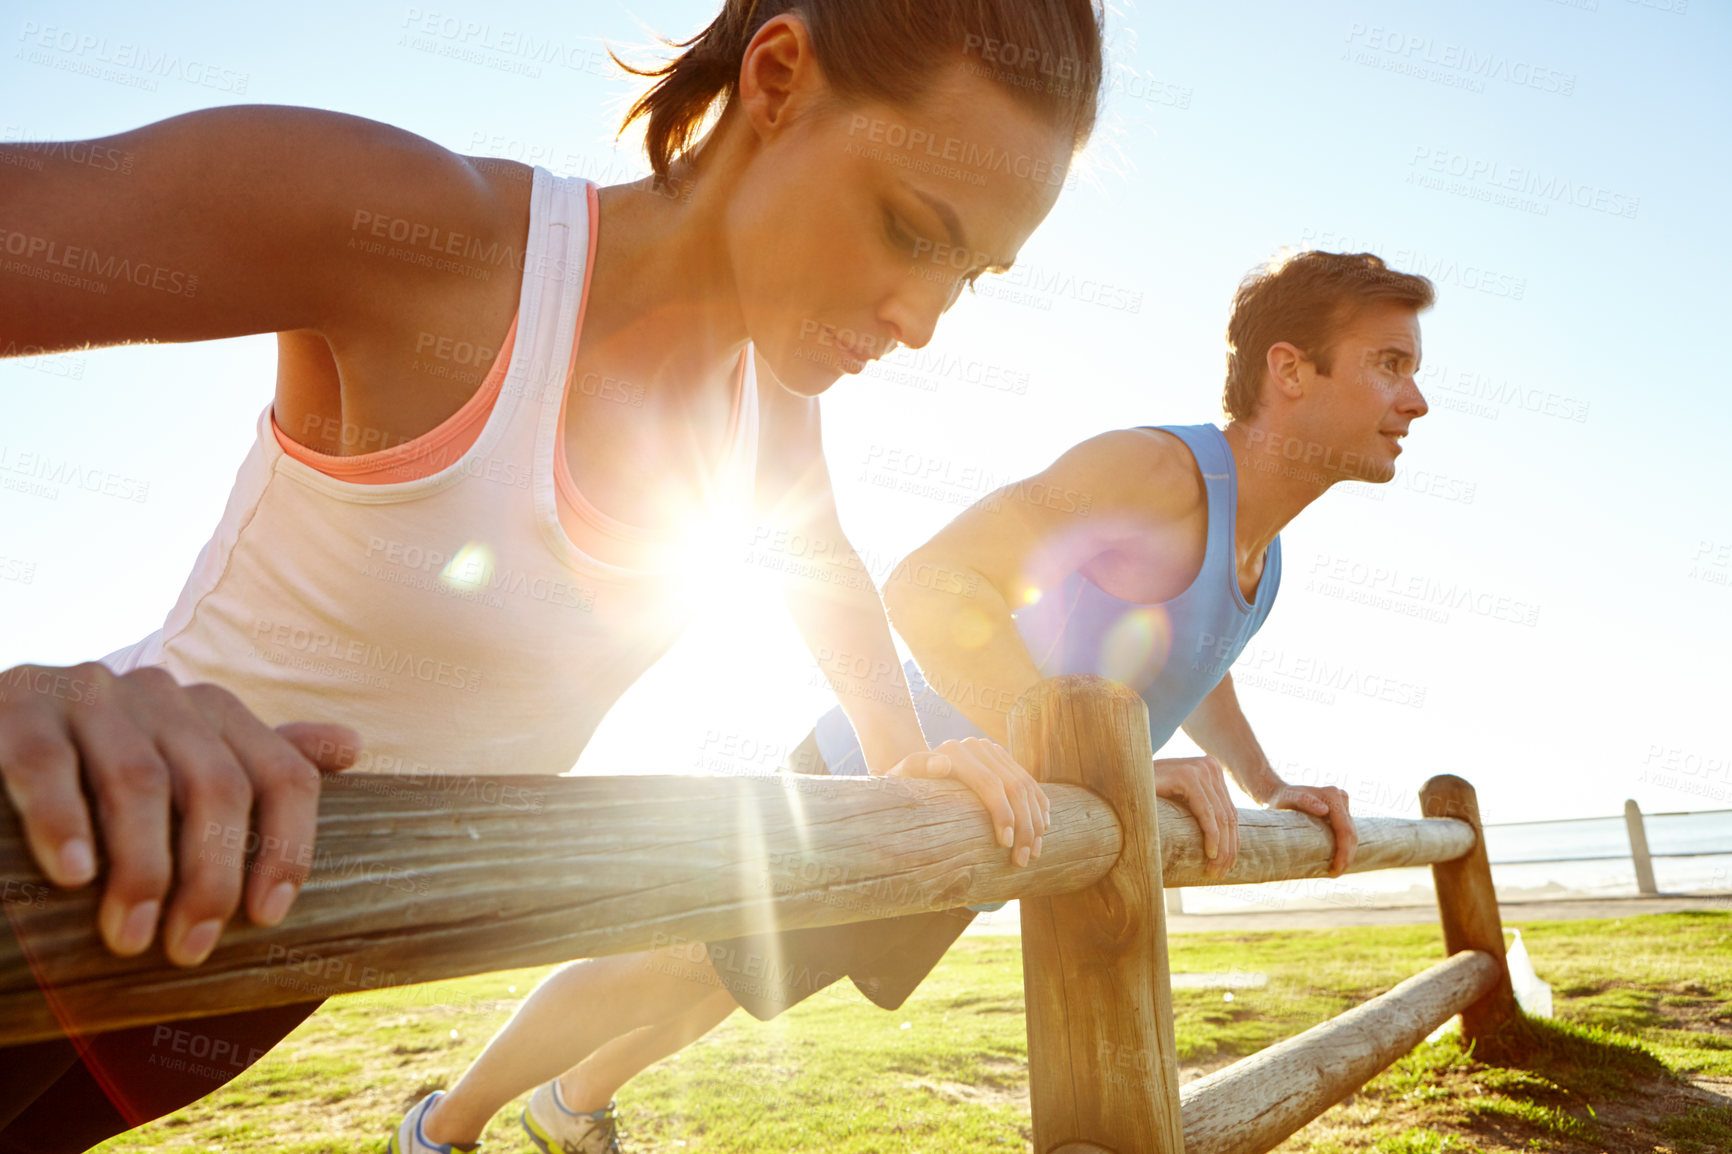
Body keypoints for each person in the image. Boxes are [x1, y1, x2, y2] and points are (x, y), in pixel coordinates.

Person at [0, 1, 1108, 1151]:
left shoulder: (769, 401)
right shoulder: (423, 230)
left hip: (243, 982)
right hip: (55, 868)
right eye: (910, 229)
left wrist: (900, 753)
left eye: (971, 273)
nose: (924, 323)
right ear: (776, 78)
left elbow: (820, 561)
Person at [491, 247, 1425, 1152]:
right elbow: (930, 583)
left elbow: (1195, 661)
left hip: (1002, 812)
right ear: (1290, 369)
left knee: (736, 984)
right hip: (891, 770)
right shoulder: (1155, 471)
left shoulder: (1264, 556)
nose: (1415, 402)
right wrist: (1097, 755)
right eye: (1390, 366)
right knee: (678, 963)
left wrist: (1264, 784)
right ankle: (442, 1130)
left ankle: (567, 1109)